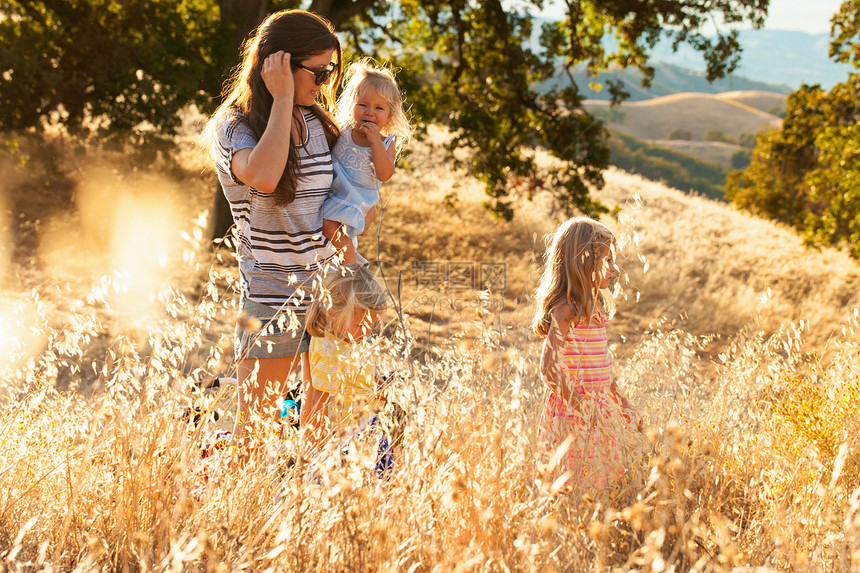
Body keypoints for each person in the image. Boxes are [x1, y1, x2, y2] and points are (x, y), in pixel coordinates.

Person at [203, 9, 343, 462]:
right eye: (316, 71)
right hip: (272, 297)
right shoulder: (235, 126)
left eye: (331, 70)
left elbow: (348, 199)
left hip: (327, 293)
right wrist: (281, 101)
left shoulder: (317, 122)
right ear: (276, 64)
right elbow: (263, 176)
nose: (324, 82)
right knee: (257, 435)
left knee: (320, 432)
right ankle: (244, 526)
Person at [531, 217, 638, 490]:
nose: (614, 269)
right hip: (574, 413)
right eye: (607, 261)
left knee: (603, 482)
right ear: (584, 262)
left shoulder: (596, 307)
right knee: (576, 485)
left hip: (601, 409)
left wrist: (624, 405)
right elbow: (549, 368)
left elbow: (602, 369)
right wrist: (582, 407)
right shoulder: (567, 310)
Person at [301, 265, 394, 474]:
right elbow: (318, 401)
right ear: (334, 314)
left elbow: (359, 372)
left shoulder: (350, 339)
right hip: (343, 437)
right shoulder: (330, 350)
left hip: (365, 427)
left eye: (373, 325)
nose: (368, 332)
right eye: (362, 325)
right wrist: (315, 448)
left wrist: (376, 383)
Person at [321, 60, 413, 263]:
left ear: (390, 116)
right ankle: (347, 262)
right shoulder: (342, 129)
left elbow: (385, 174)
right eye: (362, 105)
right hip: (335, 191)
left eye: (379, 108)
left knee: (331, 226)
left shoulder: (386, 142)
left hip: (358, 196)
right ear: (351, 105)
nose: (369, 112)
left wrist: (375, 142)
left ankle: (351, 265)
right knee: (331, 231)